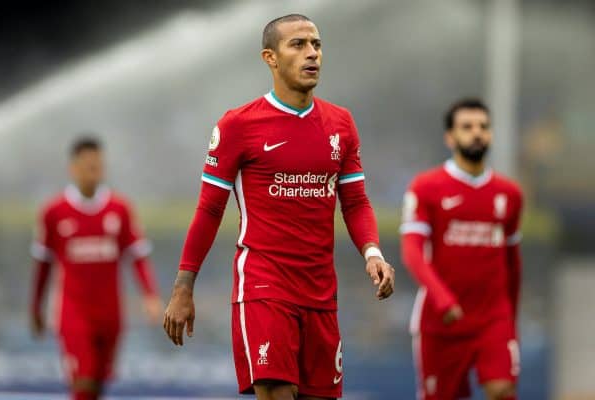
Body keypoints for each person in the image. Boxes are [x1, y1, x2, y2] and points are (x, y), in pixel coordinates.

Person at [163, 13, 395, 400]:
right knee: (276, 392)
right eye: (298, 45)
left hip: (321, 292)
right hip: (264, 286)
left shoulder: (341, 124)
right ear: (269, 58)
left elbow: (354, 200)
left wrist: (372, 253)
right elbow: (209, 211)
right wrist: (183, 287)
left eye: (317, 45)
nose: (312, 54)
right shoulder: (238, 124)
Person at [400, 98, 523, 400]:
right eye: (467, 127)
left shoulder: (509, 194)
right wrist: (442, 300)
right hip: (441, 322)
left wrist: (510, 320)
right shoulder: (426, 187)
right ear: (450, 137)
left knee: (502, 388)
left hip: (493, 320)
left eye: (483, 126)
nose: (477, 133)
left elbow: (513, 263)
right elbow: (412, 252)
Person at [30, 136, 162, 400]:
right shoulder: (54, 212)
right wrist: (36, 307)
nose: (95, 172)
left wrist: (150, 296)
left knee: (98, 385)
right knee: (84, 381)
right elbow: (43, 265)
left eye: (99, 166)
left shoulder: (120, 209)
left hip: (110, 313)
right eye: (89, 166)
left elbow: (137, 257)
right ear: (74, 168)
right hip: (73, 311)